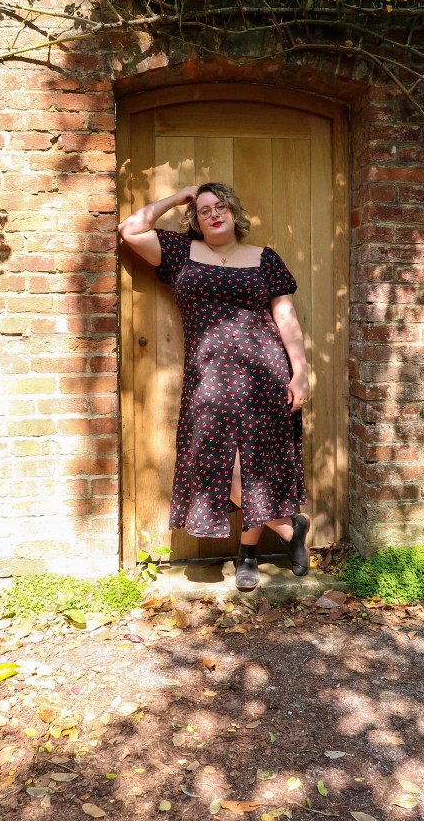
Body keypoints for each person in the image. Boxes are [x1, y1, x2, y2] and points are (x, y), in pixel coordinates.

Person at [118, 182, 311, 591]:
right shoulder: (179, 253)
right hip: (208, 380)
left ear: (234, 212)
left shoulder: (265, 259)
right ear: (195, 219)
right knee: (224, 468)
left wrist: (301, 372)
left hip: (265, 374)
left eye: (220, 206)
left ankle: (248, 555)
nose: (213, 214)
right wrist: (177, 197)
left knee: (258, 463)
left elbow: (286, 317)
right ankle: (291, 530)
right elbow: (130, 231)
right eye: (203, 210)